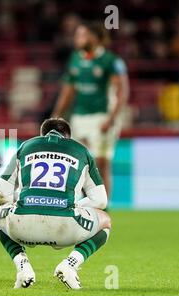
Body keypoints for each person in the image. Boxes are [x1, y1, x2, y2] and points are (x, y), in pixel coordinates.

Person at [0, 118, 111, 290]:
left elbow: (1, 195)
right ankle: (70, 265)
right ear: (68, 137)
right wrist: (74, 205)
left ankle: (22, 267)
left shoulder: (26, 147)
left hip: (22, 227)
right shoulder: (81, 151)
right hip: (66, 228)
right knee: (106, 221)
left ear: (42, 135)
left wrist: (26, 200)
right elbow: (100, 201)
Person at [52, 22, 129, 198]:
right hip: (79, 117)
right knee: (78, 163)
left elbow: (122, 90)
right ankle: (80, 206)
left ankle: (103, 208)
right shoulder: (76, 59)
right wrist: (56, 115)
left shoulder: (110, 60)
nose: (77, 39)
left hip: (102, 116)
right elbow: (68, 91)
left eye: (82, 35)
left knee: (101, 164)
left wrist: (112, 118)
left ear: (94, 37)